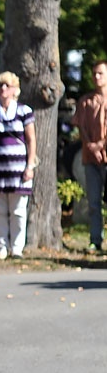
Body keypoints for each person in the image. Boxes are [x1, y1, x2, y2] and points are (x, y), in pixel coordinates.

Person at [0, 72, 36, 259]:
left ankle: (17, 248)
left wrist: (30, 166)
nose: (3, 89)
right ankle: (1, 247)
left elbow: (31, 140)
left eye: (7, 86)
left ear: (14, 90)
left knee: (18, 211)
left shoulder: (24, 111)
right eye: (0, 86)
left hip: (19, 170)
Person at [71, 59, 107, 254]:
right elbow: (81, 127)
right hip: (90, 158)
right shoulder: (85, 101)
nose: (97, 77)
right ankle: (95, 239)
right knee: (93, 202)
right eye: (94, 73)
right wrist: (92, 146)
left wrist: (102, 144)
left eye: (101, 73)